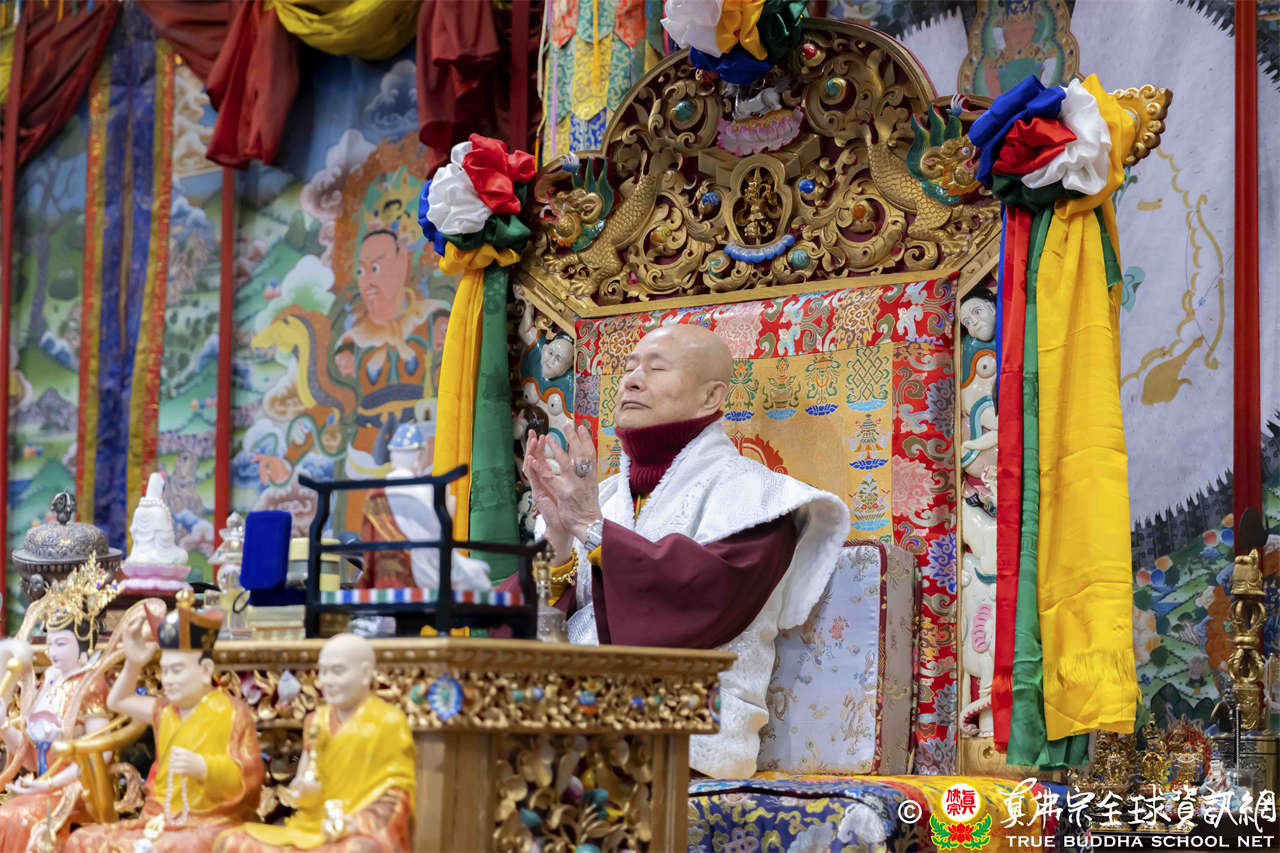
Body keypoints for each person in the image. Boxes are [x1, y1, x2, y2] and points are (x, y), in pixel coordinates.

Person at [515, 324, 848, 778]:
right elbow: (529, 629)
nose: (632, 381)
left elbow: (695, 602)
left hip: (692, 728)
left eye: (656, 368)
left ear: (711, 397)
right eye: (628, 368)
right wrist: (556, 540)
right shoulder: (601, 496)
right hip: (576, 712)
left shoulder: (760, 498)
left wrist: (593, 530)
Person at [64, 592, 263, 853]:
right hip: (158, 818)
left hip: (208, 822)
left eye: (177, 670)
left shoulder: (233, 713)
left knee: (184, 847)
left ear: (205, 670)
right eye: (165, 670)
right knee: (82, 840)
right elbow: (117, 700)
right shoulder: (165, 711)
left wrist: (205, 768)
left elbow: (250, 777)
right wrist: (134, 663)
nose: (168, 679)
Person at [212, 634, 415, 852]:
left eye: (337, 671)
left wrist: (355, 824)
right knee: (230, 840)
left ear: (365, 673)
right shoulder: (317, 720)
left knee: (360, 849)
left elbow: (397, 796)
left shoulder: (388, 722)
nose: (328, 680)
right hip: (312, 828)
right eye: (323, 672)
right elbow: (305, 778)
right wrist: (303, 792)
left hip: (358, 830)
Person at [0, 559, 116, 850]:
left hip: (75, 790)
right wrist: (3, 726)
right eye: (50, 643)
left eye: (61, 644)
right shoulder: (49, 681)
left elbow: (100, 755)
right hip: (40, 786)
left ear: (83, 642)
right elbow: (29, 758)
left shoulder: (90, 684)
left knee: (21, 819)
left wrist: (50, 784)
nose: (52, 652)